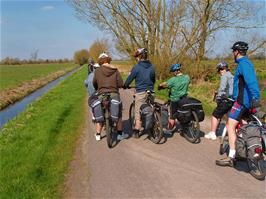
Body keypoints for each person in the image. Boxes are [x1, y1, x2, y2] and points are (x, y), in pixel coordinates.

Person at [216, 41, 260, 167]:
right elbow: (240, 85)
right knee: (243, 125)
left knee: (230, 125)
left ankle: (232, 156)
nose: (232, 54)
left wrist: (256, 97)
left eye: (233, 52)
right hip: (244, 100)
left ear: (236, 52)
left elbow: (251, 81)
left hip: (242, 102)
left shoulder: (243, 64)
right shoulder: (246, 63)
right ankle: (245, 150)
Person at [93, 53, 128, 141]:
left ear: (100, 61)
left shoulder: (97, 71)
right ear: (108, 60)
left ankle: (98, 134)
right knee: (119, 114)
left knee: (100, 112)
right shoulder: (115, 70)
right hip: (114, 94)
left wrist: (99, 88)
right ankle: (120, 134)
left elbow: (94, 83)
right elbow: (120, 83)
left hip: (102, 94)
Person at [124, 48, 156, 137]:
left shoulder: (137, 67)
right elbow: (153, 79)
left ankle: (137, 130)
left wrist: (125, 85)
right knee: (151, 108)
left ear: (140, 56)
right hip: (151, 91)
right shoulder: (152, 66)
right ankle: (154, 124)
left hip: (141, 91)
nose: (136, 58)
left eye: (137, 56)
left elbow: (130, 79)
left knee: (138, 111)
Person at [205, 62, 234, 140]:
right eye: (219, 70)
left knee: (215, 115)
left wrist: (218, 96)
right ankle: (231, 133)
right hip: (232, 100)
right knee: (230, 117)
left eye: (221, 69)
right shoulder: (232, 76)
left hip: (225, 99)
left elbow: (222, 88)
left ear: (224, 69)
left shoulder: (224, 76)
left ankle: (212, 133)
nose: (220, 71)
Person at [158, 64, 190, 132]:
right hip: (184, 98)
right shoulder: (187, 77)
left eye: (173, 71)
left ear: (175, 71)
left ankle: (169, 130)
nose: (173, 73)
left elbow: (165, 83)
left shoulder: (173, 79)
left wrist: (159, 85)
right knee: (182, 112)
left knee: (172, 115)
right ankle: (183, 125)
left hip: (175, 99)